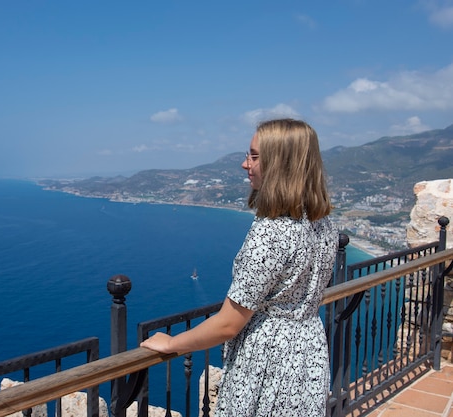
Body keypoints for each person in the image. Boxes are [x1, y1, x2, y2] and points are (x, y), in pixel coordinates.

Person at [140, 118, 338, 417]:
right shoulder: (323, 222)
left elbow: (228, 323)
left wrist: (172, 343)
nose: (245, 165)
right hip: (308, 353)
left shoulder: (272, 231)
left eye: (254, 156)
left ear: (280, 163)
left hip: (268, 363)